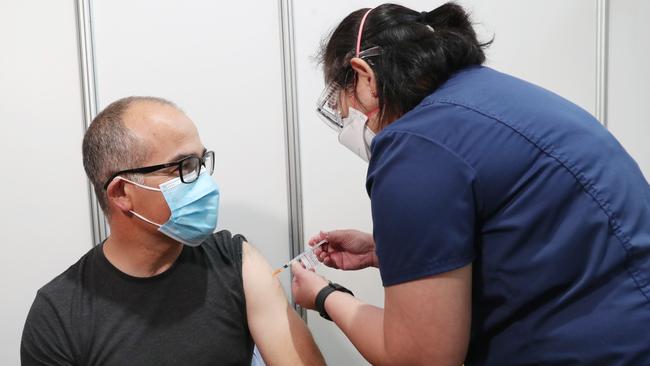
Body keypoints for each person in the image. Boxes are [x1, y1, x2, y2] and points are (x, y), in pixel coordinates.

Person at [291, 3, 650, 365]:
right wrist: (386, 253)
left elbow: (421, 357)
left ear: (365, 76)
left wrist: (325, 295)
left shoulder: (416, 145)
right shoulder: (490, 96)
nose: (354, 129)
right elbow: (529, 240)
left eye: (345, 113)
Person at [21, 96, 325, 366]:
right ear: (122, 193)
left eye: (201, 162)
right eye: (183, 167)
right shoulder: (59, 314)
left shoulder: (233, 261)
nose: (205, 182)